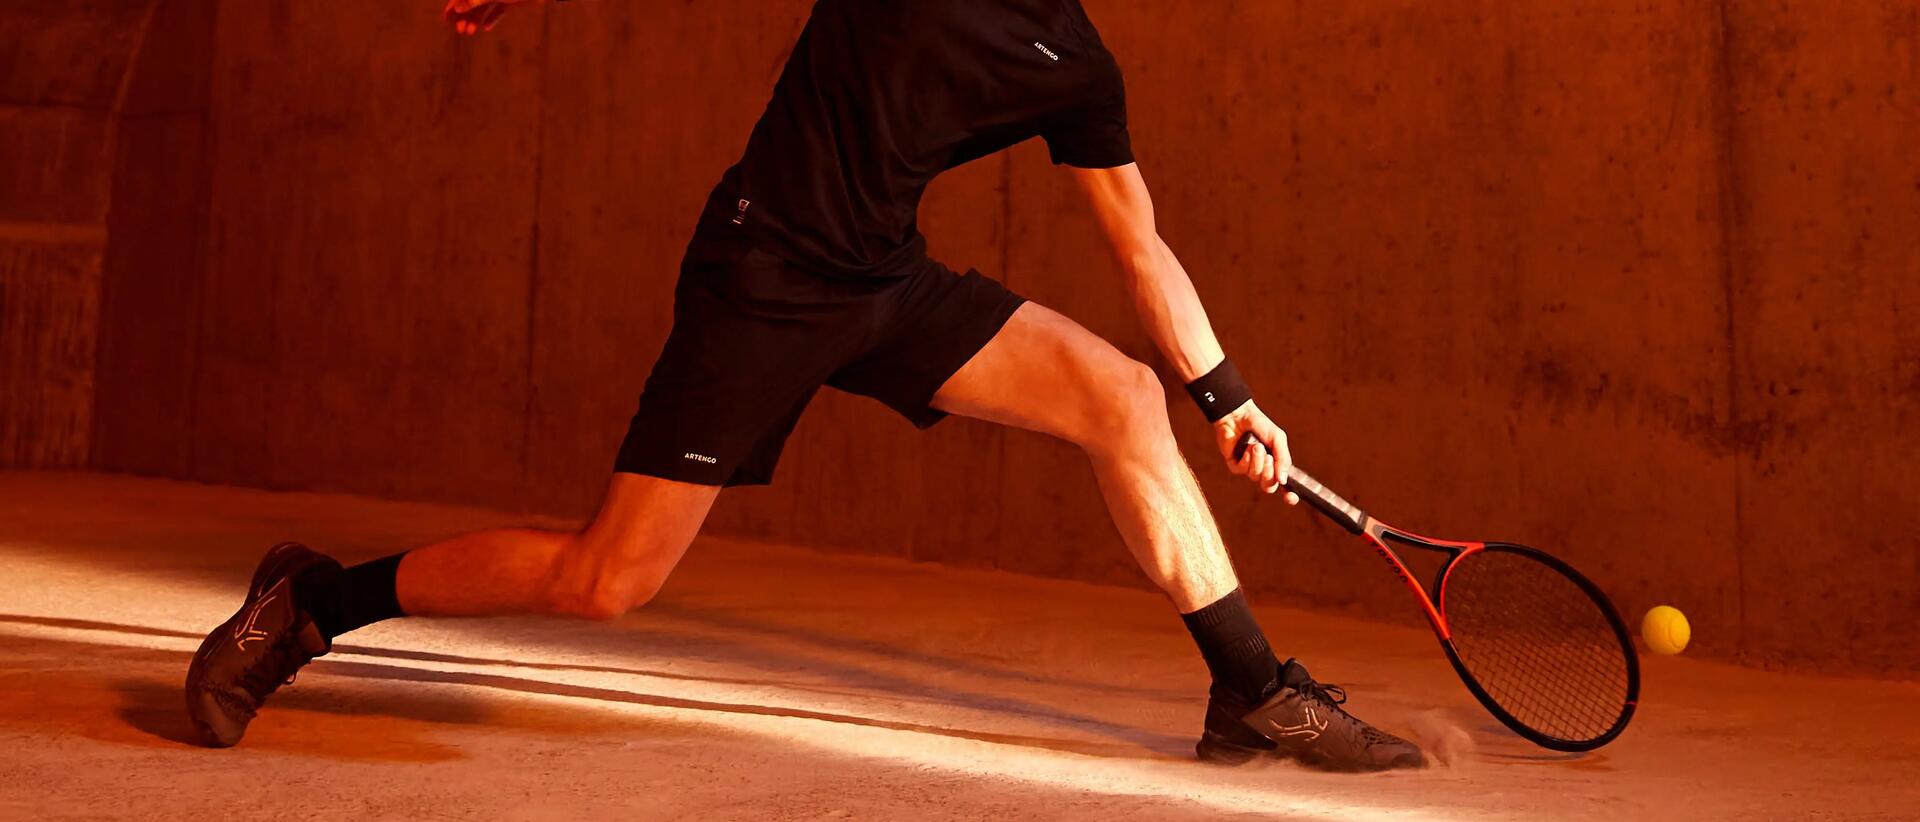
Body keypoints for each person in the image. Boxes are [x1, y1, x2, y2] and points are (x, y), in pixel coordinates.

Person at [185, 0, 1423, 772]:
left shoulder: (1073, 60)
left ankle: (1253, 692)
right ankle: (313, 604)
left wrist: (1229, 397)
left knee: (1122, 397)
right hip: (765, 271)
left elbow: (1139, 245)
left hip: (885, 279)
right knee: (606, 581)